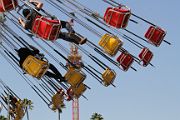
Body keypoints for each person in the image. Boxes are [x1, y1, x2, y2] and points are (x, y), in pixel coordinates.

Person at [18, 0, 86, 45]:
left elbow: (24, 26)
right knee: (65, 24)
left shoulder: (27, 24)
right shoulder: (33, 12)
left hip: (48, 36)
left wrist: (21, 21)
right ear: (29, 12)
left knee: (61, 35)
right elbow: (41, 3)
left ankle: (77, 41)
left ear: (25, 16)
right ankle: (72, 33)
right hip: (51, 26)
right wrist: (32, 1)